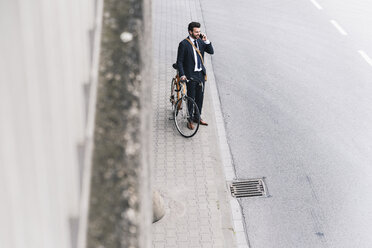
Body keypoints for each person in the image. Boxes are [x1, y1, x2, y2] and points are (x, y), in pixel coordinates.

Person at [176, 21, 214, 130]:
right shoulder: (184, 44)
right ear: (190, 31)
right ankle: (189, 119)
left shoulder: (201, 42)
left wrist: (206, 40)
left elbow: (211, 51)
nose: (198, 33)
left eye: (199, 31)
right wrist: (182, 75)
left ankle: (197, 117)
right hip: (190, 76)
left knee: (200, 98)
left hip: (200, 75)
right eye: (196, 32)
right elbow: (179, 62)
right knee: (191, 98)